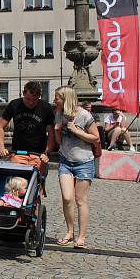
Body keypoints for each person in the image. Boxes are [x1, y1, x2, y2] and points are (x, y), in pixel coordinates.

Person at [53, 86, 99, 249]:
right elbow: (59, 142)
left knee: (80, 200)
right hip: (65, 160)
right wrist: (57, 131)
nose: (54, 101)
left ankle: (81, 236)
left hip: (84, 162)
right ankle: (70, 232)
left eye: (57, 98)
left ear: (66, 99)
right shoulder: (59, 114)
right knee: (67, 198)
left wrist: (76, 130)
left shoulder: (84, 115)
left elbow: (95, 138)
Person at [0, 81, 56, 174]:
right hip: (18, 153)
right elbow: (0, 126)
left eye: (35, 99)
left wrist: (47, 153)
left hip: (39, 154)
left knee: (38, 183)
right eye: (28, 99)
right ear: (23, 93)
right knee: (17, 183)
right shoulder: (14, 105)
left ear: (39, 96)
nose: (31, 102)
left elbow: (51, 133)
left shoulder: (46, 108)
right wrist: (1, 147)